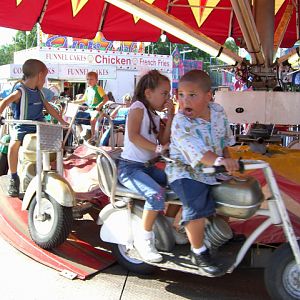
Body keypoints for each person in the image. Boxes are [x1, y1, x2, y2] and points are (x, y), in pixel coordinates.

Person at [165, 70, 239, 277]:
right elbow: (196, 152)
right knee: (196, 202)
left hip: (214, 166)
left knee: (232, 192)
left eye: (192, 95)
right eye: (181, 95)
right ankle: (198, 251)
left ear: (209, 96)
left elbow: (224, 141)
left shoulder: (218, 112)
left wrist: (227, 161)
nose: (184, 100)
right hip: (186, 170)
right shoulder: (181, 122)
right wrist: (221, 161)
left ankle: (219, 234)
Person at [118, 70, 185, 263]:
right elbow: (133, 136)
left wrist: (171, 116)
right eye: (164, 93)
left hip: (146, 167)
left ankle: (169, 227)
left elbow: (163, 139)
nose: (167, 97)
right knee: (156, 194)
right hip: (130, 169)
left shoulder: (153, 114)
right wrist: (158, 148)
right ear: (148, 93)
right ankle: (144, 238)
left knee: (180, 183)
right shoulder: (138, 107)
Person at [0, 59, 68, 197]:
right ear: (40, 75)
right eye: (45, 78)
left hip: (39, 124)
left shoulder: (40, 92)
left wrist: (61, 121)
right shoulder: (20, 91)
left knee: (58, 141)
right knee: (13, 145)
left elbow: (49, 108)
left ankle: (52, 171)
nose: (45, 81)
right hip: (23, 125)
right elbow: (5, 101)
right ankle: (14, 177)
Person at [74, 71, 108, 139]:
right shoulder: (88, 89)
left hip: (98, 110)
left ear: (96, 80)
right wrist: (74, 102)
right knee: (76, 118)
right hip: (90, 110)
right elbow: (83, 100)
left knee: (93, 120)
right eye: (87, 79)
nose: (89, 81)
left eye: (91, 79)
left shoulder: (98, 88)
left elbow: (106, 98)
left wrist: (99, 105)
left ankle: (93, 137)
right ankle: (82, 137)